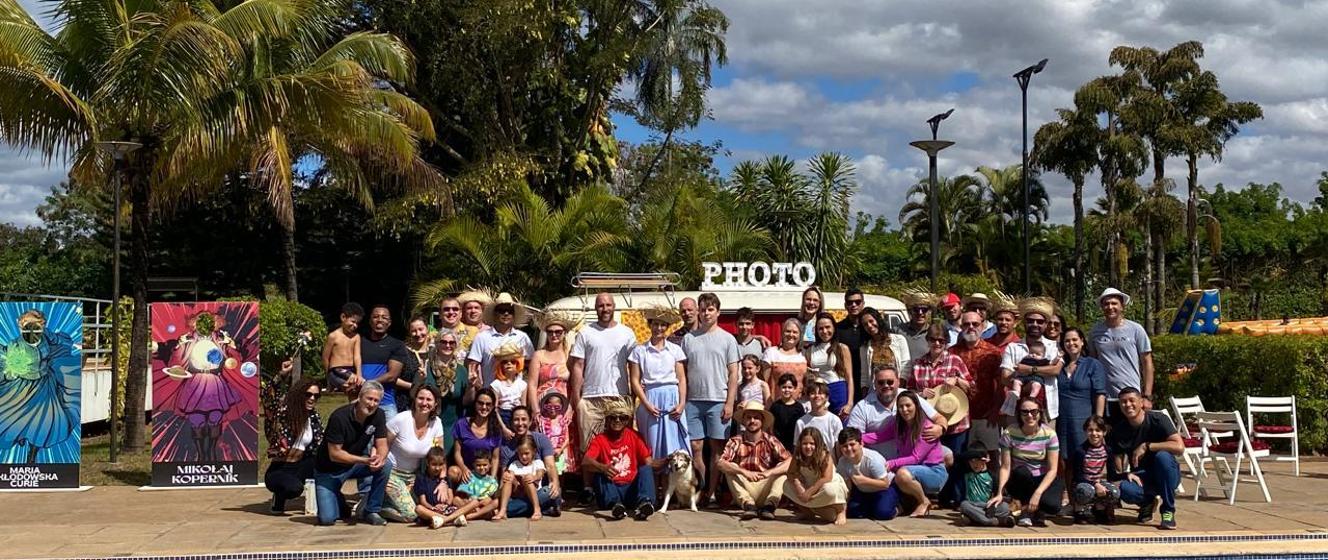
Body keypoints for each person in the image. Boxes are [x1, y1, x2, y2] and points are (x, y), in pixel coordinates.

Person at [570, 292, 637, 501]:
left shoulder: (627, 333)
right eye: (600, 305)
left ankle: (621, 487)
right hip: (591, 397)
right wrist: (576, 397)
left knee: (620, 446)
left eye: (608, 305)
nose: (605, 309)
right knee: (589, 446)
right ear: (595, 308)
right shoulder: (585, 333)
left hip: (619, 396)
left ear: (614, 306)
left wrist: (634, 396)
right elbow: (578, 366)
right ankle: (588, 489)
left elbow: (634, 365)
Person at [682, 292, 741, 505]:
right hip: (693, 401)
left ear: (718, 312)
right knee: (695, 447)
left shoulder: (728, 339)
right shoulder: (688, 339)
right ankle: (702, 487)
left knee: (718, 448)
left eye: (710, 309)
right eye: (703, 309)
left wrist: (729, 403)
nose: (706, 313)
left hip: (718, 400)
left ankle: (713, 492)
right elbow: (683, 371)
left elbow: (733, 373)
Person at [907, 323, 972, 507]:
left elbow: (971, 386)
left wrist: (957, 380)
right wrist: (920, 394)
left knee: (957, 460)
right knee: (935, 460)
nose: (937, 343)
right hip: (931, 421)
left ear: (946, 342)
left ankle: (958, 499)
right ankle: (939, 497)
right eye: (933, 339)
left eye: (941, 340)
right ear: (927, 340)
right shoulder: (918, 364)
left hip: (956, 419)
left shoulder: (955, 361)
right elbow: (910, 391)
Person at [313, 380, 390, 526]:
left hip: (353, 466)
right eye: (369, 399)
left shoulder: (379, 415)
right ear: (360, 397)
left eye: (376, 401)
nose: (372, 404)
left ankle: (371, 510)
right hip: (328, 470)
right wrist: (364, 460)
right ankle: (336, 495)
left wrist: (379, 458)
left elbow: (382, 444)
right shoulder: (339, 417)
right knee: (327, 519)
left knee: (386, 465)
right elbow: (335, 454)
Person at [1108, 387, 1182, 530]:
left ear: (1141, 402)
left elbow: (1179, 447)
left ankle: (1168, 510)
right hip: (1143, 477)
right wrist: (1124, 475)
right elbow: (1116, 461)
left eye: (1132, 400)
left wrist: (1147, 446)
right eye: (1123, 402)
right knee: (1123, 488)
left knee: (1162, 457)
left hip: (1167, 474)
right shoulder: (1119, 430)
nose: (1128, 405)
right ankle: (1147, 502)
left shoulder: (1158, 419)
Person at [628, 305, 689, 462]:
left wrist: (681, 403)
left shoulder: (675, 350)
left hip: (671, 397)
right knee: (652, 445)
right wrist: (646, 403)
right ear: (650, 325)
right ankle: (653, 485)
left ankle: (671, 485)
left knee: (673, 445)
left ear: (667, 328)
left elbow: (681, 378)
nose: (659, 328)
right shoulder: (639, 351)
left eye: (662, 325)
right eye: (655, 324)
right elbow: (634, 379)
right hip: (650, 397)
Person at [582, 400, 660, 520]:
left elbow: (649, 462)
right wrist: (602, 467)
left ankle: (645, 503)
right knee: (600, 474)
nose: (617, 421)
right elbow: (585, 462)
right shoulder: (599, 439)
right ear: (607, 420)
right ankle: (616, 506)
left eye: (622, 418)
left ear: (627, 421)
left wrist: (668, 460)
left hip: (631, 488)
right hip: (611, 488)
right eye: (613, 417)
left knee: (645, 468)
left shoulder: (634, 436)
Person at [873, 391, 947, 518]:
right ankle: (911, 503)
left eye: (908, 405)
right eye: (901, 407)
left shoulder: (927, 427)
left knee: (902, 474)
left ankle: (924, 501)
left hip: (934, 471)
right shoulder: (899, 426)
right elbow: (879, 437)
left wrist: (891, 463)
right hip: (915, 471)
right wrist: (858, 440)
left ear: (916, 406)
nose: (904, 410)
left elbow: (915, 458)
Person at [380, 385, 447, 523]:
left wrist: (443, 482)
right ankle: (377, 508)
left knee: (427, 505)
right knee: (412, 515)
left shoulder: (436, 423)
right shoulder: (401, 419)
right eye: (420, 398)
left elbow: (440, 455)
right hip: (391, 474)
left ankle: (385, 501)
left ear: (435, 404)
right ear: (414, 400)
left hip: (413, 477)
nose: (424, 403)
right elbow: (383, 445)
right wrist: (379, 469)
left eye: (429, 399)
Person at [716, 401, 792, 520]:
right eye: (749, 417)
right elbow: (720, 463)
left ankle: (769, 506)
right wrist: (744, 472)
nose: (752, 421)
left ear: (762, 421)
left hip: (765, 484)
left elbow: (790, 461)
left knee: (782, 470)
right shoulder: (736, 441)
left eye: (756, 418)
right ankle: (749, 505)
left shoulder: (771, 440)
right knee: (729, 467)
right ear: (744, 421)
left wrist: (769, 472)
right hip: (745, 486)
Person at [994, 397, 1063, 526]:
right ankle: (1025, 509)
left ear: (1040, 413)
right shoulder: (1010, 432)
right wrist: (999, 492)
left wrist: (1038, 493)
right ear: (1019, 414)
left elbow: (1053, 469)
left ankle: (1033, 510)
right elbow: (1005, 467)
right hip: (1020, 479)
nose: (1029, 415)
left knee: (1053, 506)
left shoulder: (1050, 434)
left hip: (1041, 478)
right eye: (1024, 412)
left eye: (1034, 412)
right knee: (1021, 472)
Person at [846, 366, 942, 458]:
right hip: (882, 461)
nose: (886, 385)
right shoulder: (862, 407)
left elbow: (939, 418)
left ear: (898, 382)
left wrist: (940, 428)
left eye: (890, 382)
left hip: (914, 455)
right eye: (881, 382)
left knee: (947, 455)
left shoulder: (910, 397)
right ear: (874, 384)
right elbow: (853, 438)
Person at [1088, 288, 1155, 418]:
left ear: (1122, 306)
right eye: (1106, 304)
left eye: (1114, 303)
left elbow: (1147, 363)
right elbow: (1093, 362)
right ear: (1102, 307)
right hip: (1105, 398)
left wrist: (1147, 395)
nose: (1110, 307)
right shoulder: (1095, 332)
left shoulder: (1136, 329)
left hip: (1131, 397)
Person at [264, 379, 323, 514]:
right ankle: (279, 497)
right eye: (308, 394)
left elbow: (320, 442)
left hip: (302, 465)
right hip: (280, 468)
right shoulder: (282, 414)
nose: (312, 398)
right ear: (299, 394)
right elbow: (269, 396)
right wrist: (281, 375)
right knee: (294, 489)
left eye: (316, 396)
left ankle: (320, 504)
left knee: (325, 470)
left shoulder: (314, 417)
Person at [949, 311, 1004, 455]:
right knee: (962, 458)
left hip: (986, 415)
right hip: (958, 417)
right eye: (967, 324)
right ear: (961, 326)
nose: (971, 327)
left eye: (975, 324)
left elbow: (1000, 385)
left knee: (990, 456)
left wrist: (995, 411)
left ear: (982, 326)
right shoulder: (951, 353)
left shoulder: (993, 352)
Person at [1000, 298, 1062, 423]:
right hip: (1016, 409)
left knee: (1045, 441)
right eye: (1030, 321)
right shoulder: (1013, 347)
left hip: (1046, 409)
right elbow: (1005, 378)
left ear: (1045, 324)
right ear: (1024, 323)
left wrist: (1027, 369)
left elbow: (1055, 370)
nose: (1035, 324)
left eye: (1039, 321)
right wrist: (1027, 386)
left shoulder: (1053, 346)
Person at [499, 406, 563, 518]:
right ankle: (541, 507)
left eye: (524, 419)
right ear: (511, 422)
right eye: (516, 420)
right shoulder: (506, 446)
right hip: (519, 492)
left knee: (548, 492)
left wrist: (555, 483)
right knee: (503, 502)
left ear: (530, 421)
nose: (520, 423)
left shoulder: (541, 439)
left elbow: (550, 465)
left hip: (539, 489)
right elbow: (505, 475)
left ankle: (513, 509)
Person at [417, 331, 474, 452]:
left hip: (452, 424)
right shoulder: (426, 367)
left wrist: (470, 386)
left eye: (451, 343)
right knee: (431, 460)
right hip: (429, 423)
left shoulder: (461, 370)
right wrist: (420, 380)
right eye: (444, 342)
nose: (448, 345)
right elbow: (413, 395)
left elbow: (466, 401)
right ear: (437, 344)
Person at [784, 427, 849, 525]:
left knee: (829, 490)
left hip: (825, 485)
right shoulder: (798, 455)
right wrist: (798, 486)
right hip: (807, 485)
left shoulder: (824, 456)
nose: (808, 447)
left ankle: (841, 510)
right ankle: (808, 511)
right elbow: (790, 473)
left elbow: (826, 478)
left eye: (812, 444)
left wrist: (809, 492)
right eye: (805, 444)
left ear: (817, 444)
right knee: (786, 485)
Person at [1057, 327, 1107, 454]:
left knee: (1085, 457)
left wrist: (1098, 421)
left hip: (1084, 420)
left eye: (1075, 340)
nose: (1071, 343)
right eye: (1067, 341)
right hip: (1062, 421)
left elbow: (1100, 394)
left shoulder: (1093, 364)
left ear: (1082, 341)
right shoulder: (1058, 366)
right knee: (1065, 460)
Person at [467, 292, 534, 387]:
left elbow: (531, 366)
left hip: (515, 398)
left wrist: (524, 388)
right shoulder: (482, 337)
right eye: (502, 311)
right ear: (495, 313)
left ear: (513, 314)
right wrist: (481, 390)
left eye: (509, 311)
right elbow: (472, 367)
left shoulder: (522, 337)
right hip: (490, 396)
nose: (506, 314)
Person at [526, 310, 574, 436]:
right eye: (550, 332)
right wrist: (535, 410)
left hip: (563, 406)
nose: (554, 335)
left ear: (565, 333)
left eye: (558, 332)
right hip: (543, 405)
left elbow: (576, 384)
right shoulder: (538, 355)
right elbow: (532, 384)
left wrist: (570, 408)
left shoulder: (569, 355)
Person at [359, 305, 414, 412]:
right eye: (376, 317)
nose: (379, 320)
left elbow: (392, 376)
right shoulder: (359, 342)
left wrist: (367, 384)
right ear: (370, 321)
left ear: (389, 323)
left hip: (385, 404)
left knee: (389, 429)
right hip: (361, 402)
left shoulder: (397, 345)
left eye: (384, 317)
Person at [836, 427, 898, 520]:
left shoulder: (872, 459)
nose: (849, 449)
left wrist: (865, 481)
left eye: (852, 444)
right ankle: (873, 507)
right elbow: (847, 487)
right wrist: (843, 510)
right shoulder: (842, 462)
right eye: (845, 446)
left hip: (885, 489)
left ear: (861, 443)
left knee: (883, 513)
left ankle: (899, 507)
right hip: (863, 491)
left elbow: (885, 484)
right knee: (853, 512)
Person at [413, 447, 478, 528]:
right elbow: (423, 501)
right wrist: (433, 508)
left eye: (440, 465)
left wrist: (446, 505)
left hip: (447, 509)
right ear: (427, 463)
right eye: (434, 464)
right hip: (432, 512)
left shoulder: (446, 479)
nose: (437, 468)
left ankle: (444, 520)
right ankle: (452, 520)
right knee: (418, 508)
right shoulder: (421, 478)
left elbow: (450, 497)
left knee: (474, 502)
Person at [449, 388, 503, 486]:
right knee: (453, 471)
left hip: (484, 473)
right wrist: (464, 469)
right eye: (480, 403)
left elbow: (495, 458)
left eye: (488, 404)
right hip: (467, 473)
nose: (484, 407)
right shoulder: (461, 424)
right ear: (475, 404)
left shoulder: (496, 429)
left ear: (492, 407)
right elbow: (457, 452)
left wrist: (492, 477)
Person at [1070, 415, 1119, 524]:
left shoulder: (1107, 450)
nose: (1094, 434)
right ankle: (1079, 511)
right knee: (1086, 490)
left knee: (1114, 492)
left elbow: (1112, 475)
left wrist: (1128, 475)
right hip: (1082, 482)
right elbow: (1078, 476)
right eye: (1090, 430)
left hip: (1097, 483)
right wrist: (1095, 484)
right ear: (1085, 431)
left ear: (1104, 432)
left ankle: (1099, 509)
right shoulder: (1080, 451)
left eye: (1098, 430)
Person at [805, 313, 853, 416]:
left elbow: (849, 377)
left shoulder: (842, 348)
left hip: (838, 390)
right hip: (819, 392)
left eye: (828, 327)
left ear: (834, 328)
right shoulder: (810, 350)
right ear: (816, 331)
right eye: (820, 329)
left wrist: (849, 403)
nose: (824, 331)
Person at [496, 435, 554, 521]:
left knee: (530, 480)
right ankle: (503, 510)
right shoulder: (514, 464)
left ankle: (536, 509)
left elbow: (540, 473)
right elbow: (510, 474)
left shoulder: (537, 463)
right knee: (509, 478)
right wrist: (509, 476)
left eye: (526, 453)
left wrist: (534, 477)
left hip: (535, 495)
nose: (523, 457)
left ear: (533, 451)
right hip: (519, 495)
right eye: (520, 454)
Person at [859, 307, 910, 398]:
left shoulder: (899, 340)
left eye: (871, 321)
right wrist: (865, 397)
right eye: (865, 324)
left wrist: (898, 390)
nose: (869, 326)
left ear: (878, 320)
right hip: (875, 393)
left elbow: (906, 367)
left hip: (896, 391)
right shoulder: (865, 347)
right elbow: (864, 376)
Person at [957, 443, 1012, 527]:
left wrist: (993, 504)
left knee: (1005, 507)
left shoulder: (992, 476)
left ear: (984, 460)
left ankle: (973, 520)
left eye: (977, 460)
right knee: (964, 505)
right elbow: (957, 459)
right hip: (972, 505)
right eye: (971, 461)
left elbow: (999, 495)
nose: (974, 464)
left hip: (987, 506)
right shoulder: (966, 473)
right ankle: (994, 521)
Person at [322, 302, 363, 393]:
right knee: (355, 383)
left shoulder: (356, 337)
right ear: (343, 317)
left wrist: (359, 374)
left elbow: (357, 356)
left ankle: (352, 404)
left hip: (351, 370)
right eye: (353, 321)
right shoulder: (333, 336)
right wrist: (328, 376)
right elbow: (325, 357)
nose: (355, 325)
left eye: (357, 323)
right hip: (337, 370)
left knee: (358, 386)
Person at [763, 318, 808, 398]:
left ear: (800, 335)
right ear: (782, 333)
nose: (791, 335)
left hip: (800, 404)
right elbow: (763, 382)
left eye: (795, 332)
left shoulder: (804, 354)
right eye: (788, 331)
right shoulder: (771, 353)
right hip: (776, 404)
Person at [835, 289, 868, 401]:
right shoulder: (838, 329)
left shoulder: (870, 327)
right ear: (845, 305)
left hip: (868, 381)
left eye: (857, 302)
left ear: (863, 304)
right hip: (845, 381)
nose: (854, 305)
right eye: (850, 302)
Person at [896, 291, 936, 380]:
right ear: (910, 311)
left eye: (924, 310)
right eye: (916, 310)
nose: (920, 313)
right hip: (901, 381)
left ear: (929, 312)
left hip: (923, 382)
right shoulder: (898, 331)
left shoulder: (934, 333)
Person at [1003, 339, 1049, 416]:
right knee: (1016, 382)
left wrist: (1057, 358)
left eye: (1038, 354)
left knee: (1036, 385)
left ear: (1043, 356)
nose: (1034, 355)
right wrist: (1016, 368)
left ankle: (1032, 397)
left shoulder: (1043, 361)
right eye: (1032, 353)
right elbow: (1018, 366)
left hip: (1036, 378)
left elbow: (1052, 366)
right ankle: (1016, 392)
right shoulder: (1026, 358)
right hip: (1023, 377)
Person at [488, 342, 528, 430]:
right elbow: (495, 409)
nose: (509, 364)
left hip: (518, 416)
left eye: (513, 362)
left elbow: (524, 406)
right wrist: (503, 428)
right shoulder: (496, 384)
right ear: (500, 365)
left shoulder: (522, 384)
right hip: (502, 416)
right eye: (505, 362)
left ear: (518, 364)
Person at [795, 380, 843, 452]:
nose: (817, 396)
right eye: (813, 393)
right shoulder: (801, 422)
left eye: (820, 393)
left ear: (826, 398)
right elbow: (797, 448)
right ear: (808, 397)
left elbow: (839, 447)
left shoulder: (834, 420)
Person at [452, 454, 501, 521]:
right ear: (474, 465)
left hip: (483, 505)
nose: (482, 467)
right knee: (456, 499)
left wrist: (481, 502)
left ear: (490, 465)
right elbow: (462, 493)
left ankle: (471, 515)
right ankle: (477, 514)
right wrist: (469, 500)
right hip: (469, 503)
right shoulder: (469, 476)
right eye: (478, 465)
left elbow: (492, 498)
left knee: (495, 502)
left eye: (485, 465)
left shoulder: (491, 480)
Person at [398, 316, 433, 411]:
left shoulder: (434, 351)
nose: (418, 334)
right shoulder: (403, 352)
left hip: (428, 404)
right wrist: (415, 386)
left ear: (427, 329)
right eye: (414, 331)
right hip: (406, 402)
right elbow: (394, 378)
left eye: (421, 329)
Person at [536, 392, 575, 475]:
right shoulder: (542, 421)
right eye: (549, 407)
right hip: (545, 452)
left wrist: (560, 449)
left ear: (561, 407)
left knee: (559, 472)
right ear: (545, 406)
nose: (552, 409)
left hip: (559, 451)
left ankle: (559, 487)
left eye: (556, 407)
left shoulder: (563, 421)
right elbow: (539, 438)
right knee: (546, 471)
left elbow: (567, 438)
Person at [768, 373, 807, 453]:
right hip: (778, 444)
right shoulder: (775, 406)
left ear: (795, 388)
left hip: (794, 444)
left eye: (790, 387)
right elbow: (771, 427)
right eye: (784, 387)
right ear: (779, 387)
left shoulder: (799, 407)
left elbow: (802, 427)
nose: (787, 390)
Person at [453, 289, 493, 357]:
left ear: (482, 311)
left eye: (476, 308)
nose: (473, 311)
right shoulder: (455, 330)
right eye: (469, 308)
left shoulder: (490, 331)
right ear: (464, 312)